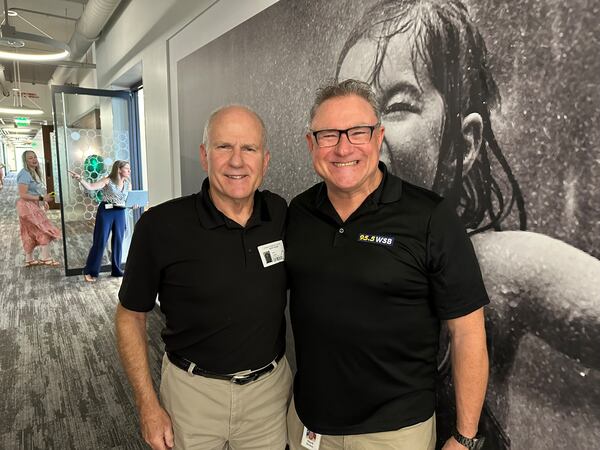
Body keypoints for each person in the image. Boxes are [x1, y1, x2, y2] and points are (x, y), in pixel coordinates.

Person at [334, 1, 600, 448]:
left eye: (397, 105)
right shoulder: (338, 248)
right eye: (347, 110)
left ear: (462, 144)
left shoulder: (495, 267)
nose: (359, 135)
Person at [286, 79, 489, 450]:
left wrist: (465, 436)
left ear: (378, 136)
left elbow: (468, 332)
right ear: (310, 144)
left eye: (358, 132)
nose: (343, 147)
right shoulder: (298, 214)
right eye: (328, 135)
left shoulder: (430, 216)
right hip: (309, 427)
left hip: (395, 434)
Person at [116, 105, 291, 450]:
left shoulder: (280, 214)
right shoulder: (161, 226)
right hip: (191, 395)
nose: (237, 161)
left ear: (265, 160)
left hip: (268, 395)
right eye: (224, 147)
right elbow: (130, 315)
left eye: (249, 149)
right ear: (204, 155)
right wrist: (147, 404)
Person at [68, 160, 131, 282]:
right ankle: (89, 271)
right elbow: (91, 187)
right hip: (106, 212)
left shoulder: (128, 183)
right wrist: (80, 178)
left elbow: (126, 199)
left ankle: (117, 270)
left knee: (118, 241)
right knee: (100, 241)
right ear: (119, 169)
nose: (129, 171)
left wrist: (133, 204)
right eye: (126, 168)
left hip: (120, 212)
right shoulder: (108, 181)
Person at [16, 150, 61, 267]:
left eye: (35, 157)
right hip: (26, 207)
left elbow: (32, 191)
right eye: (30, 158)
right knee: (44, 229)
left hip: (30, 205)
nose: (34, 159)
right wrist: (42, 198)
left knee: (29, 232)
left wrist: (41, 202)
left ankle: (29, 259)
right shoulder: (24, 174)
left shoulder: (32, 172)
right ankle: (44, 257)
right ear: (25, 161)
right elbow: (22, 194)